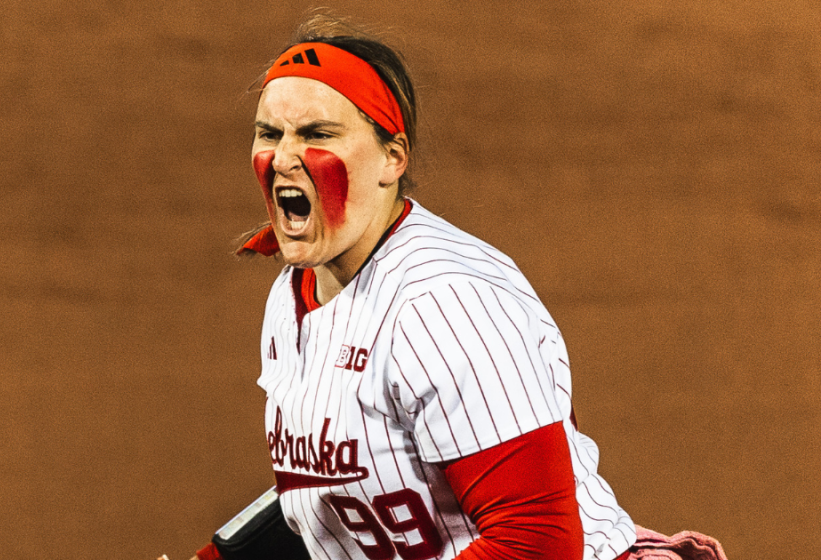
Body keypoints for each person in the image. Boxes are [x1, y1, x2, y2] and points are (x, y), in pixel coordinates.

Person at [162, 14, 727, 560]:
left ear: (392, 156)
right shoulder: (293, 296)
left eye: (317, 133)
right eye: (269, 133)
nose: (283, 156)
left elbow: (536, 542)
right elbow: (346, 495)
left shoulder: (443, 302)